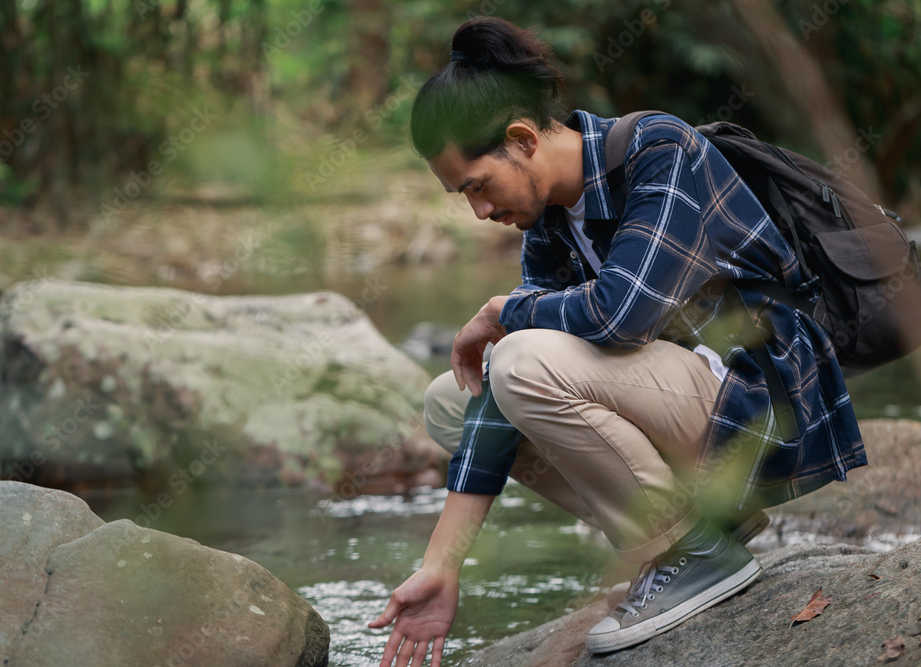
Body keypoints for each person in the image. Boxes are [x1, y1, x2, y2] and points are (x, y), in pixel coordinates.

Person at [368, 16, 866, 665]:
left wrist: (503, 309)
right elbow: (504, 392)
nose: (479, 212)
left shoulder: (659, 149)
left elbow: (619, 315)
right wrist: (441, 564)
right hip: (688, 411)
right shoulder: (548, 221)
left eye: (477, 186)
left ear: (521, 139)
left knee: (518, 356)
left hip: (760, 406)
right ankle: (704, 531)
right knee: (451, 400)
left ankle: (693, 551)